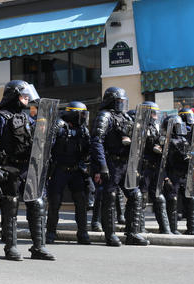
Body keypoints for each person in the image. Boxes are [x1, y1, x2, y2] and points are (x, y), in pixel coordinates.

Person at [0, 80, 55, 261]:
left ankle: (39, 247)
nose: (27, 98)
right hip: (10, 167)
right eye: (23, 95)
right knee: (11, 205)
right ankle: (11, 247)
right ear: (14, 95)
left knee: (37, 204)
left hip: (27, 168)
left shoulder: (26, 118)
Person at [90, 87, 148, 247]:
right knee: (110, 197)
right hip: (111, 162)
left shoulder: (126, 116)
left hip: (126, 163)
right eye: (119, 101)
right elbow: (97, 141)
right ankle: (110, 235)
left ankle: (132, 233)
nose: (122, 104)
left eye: (123, 101)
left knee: (135, 195)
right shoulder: (105, 116)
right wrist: (102, 165)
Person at [46, 102, 91, 245]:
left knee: (81, 202)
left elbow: (88, 149)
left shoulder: (83, 130)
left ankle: (83, 233)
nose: (84, 117)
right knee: (55, 202)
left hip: (76, 170)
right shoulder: (58, 126)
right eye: (81, 114)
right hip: (59, 169)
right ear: (73, 113)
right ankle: (50, 233)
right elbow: (47, 146)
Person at [136, 101, 171, 234]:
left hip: (155, 167)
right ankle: (139, 228)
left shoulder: (156, 128)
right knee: (142, 197)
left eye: (156, 114)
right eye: (153, 113)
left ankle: (165, 228)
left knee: (158, 197)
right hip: (144, 168)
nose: (156, 116)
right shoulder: (139, 128)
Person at [162, 115, 194, 235]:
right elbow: (161, 162)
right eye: (177, 126)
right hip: (173, 175)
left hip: (184, 175)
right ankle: (173, 228)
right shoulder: (166, 141)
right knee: (172, 201)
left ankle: (192, 229)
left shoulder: (184, 140)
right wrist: (165, 177)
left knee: (192, 199)